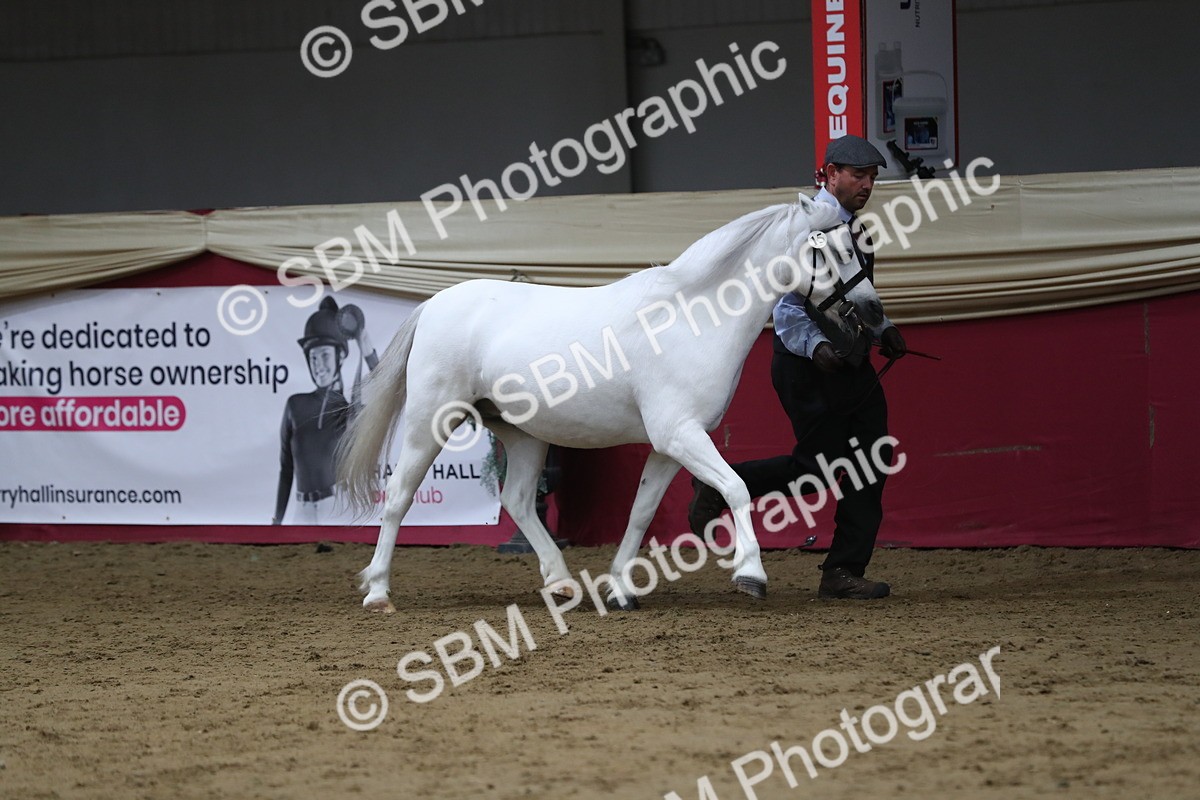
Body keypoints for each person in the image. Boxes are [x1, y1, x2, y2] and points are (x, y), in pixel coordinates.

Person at [688, 134, 907, 599]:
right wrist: (815, 348)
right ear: (829, 174)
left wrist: (882, 327)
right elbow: (786, 300)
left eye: (872, 177)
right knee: (820, 468)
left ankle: (843, 571)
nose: (867, 184)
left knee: (875, 458)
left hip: (852, 363)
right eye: (857, 175)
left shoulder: (858, 233)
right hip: (807, 366)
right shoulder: (801, 228)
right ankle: (721, 482)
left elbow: (852, 292)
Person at [273, 296, 378, 525]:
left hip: (337, 508)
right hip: (301, 512)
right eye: (313, 357)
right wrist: (277, 521)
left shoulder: (350, 406)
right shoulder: (295, 405)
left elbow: (385, 389)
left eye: (324, 355)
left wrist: (366, 348)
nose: (318, 364)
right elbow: (286, 468)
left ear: (340, 356)